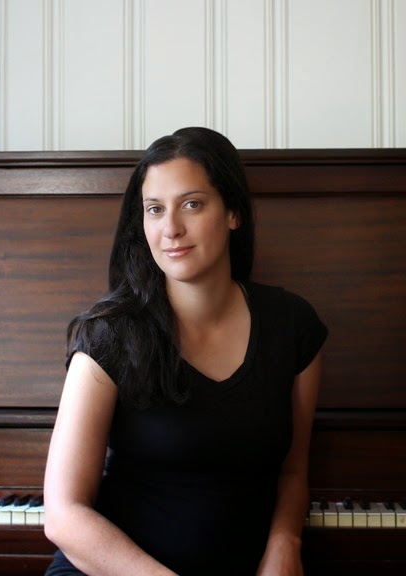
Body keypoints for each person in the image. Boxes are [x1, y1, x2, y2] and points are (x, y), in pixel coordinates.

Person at [43, 126, 328, 576]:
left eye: (192, 204)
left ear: (233, 212)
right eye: (155, 209)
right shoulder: (108, 336)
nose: (171, 229)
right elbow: (63, 516)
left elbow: (293, 471)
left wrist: (285, 541)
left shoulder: (293, 325)